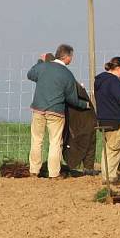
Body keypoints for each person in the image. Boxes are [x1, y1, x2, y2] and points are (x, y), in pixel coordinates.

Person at [27, 44, 89, 178]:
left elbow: (30, 74)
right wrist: (85, 105)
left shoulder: (43, 67)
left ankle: (34, 170)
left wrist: (40, 61)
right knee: (55, 142)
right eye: (71, 56)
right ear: (66, 57)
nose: (71, 59)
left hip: (38, 109)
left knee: (36, 140)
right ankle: (54, 173)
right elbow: (72, 99)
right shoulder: (67, 74)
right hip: (56, 112)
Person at [94, 57, 120, 184]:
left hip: (104, 119)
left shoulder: (100, 81)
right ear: (118, 68)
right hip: (116, 120)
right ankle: (109, 177)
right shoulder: (114, 82)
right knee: (113, 149)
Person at [63, 80, 99, 177]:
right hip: (84, 117)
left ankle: (79, 167)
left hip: (80, 118)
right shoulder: (70, 83)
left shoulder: (66, 84)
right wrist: (85, 105)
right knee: (86, 140)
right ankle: (86, 167)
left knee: (79, 140)